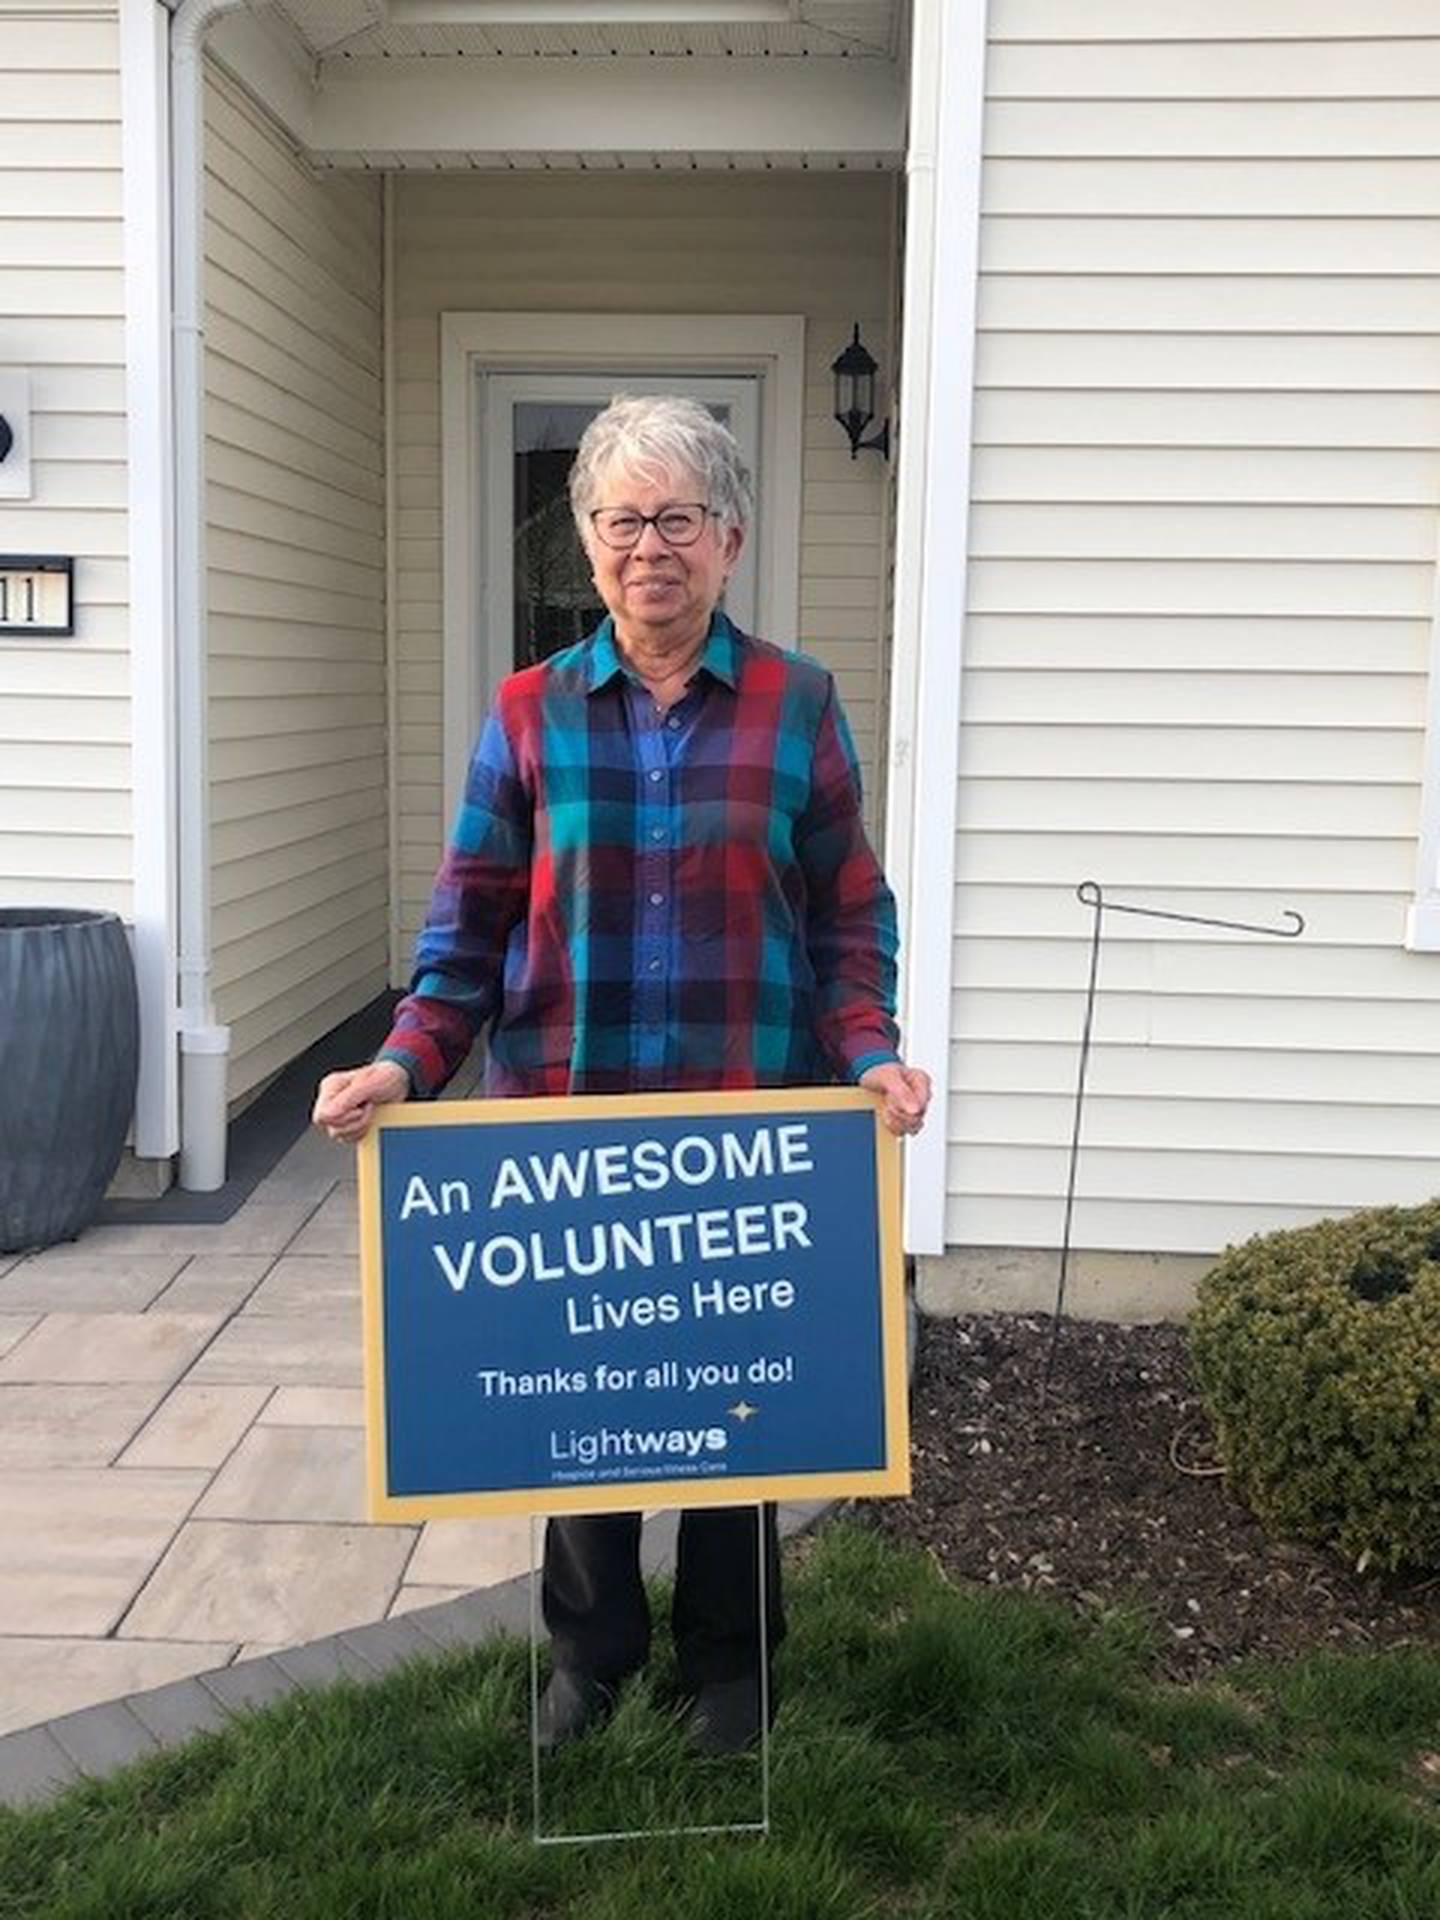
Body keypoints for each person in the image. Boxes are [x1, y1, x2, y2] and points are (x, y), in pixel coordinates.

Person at [313, 393, 930, 1753]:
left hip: (741, 1122)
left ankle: (731, 1666)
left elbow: (844, 910)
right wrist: (404, 1067)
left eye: (680, 519)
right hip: (566, 1128)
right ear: (585, 546)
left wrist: (871, 1053)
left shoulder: (798, 702)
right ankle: (588, 1657)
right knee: (580, 1407)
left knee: (736, 1401)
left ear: (731, 540)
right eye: (622, 519)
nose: (651, 545)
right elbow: (468, 922)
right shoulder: (528, 713)